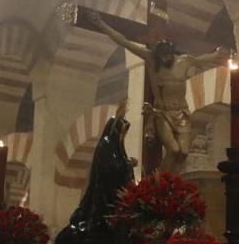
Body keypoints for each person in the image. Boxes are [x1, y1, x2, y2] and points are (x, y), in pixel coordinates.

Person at [87, 9, 231, 173]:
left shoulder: (184, 61)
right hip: (163, 113)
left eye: (166, 55)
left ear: (172, 52)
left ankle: (172, 183)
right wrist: (101, 24)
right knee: (174, 150)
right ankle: (160, 182)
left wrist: (220, 54)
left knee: (183, 152)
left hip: (182, 113)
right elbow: (124, 41)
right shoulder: (150, 58)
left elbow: (206, 58)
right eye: (160, 56)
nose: (163, 59)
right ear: (157, 53)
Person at [54, 101, 136, 244]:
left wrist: (128, 164)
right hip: (104, 196)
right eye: (123, 132)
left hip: (115, 197)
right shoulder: (105, 146)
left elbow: (119, 165)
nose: (123, 136)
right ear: (115, 130)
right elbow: (109, 169)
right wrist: (128, 165)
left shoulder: (117, 148)